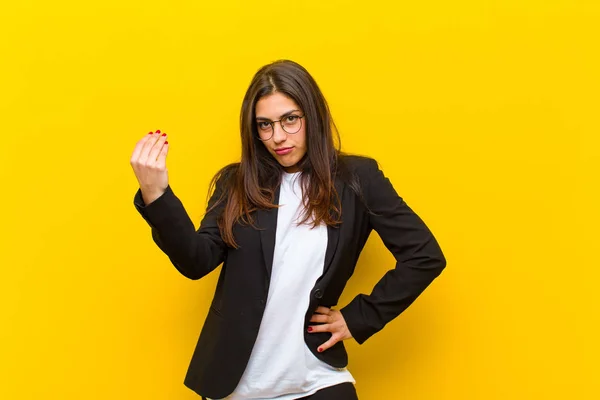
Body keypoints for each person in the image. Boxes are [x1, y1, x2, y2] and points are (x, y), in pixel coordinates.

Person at [130, 59, 447, 400]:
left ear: (313, 115)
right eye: (264, 125)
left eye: (290, 120)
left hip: (317, 381)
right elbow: (196, 262)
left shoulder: (358, 179)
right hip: (235, 387)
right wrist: (156, 195)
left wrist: (358, 317)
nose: (277, 137)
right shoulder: (236, 184)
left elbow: (424, 256)